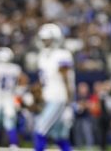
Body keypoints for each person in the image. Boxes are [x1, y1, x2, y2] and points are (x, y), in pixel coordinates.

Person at [34, 23, 75, 151]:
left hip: (59, 97)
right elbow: (43, 80)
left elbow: (65, 78)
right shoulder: (42, 55)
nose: (45, 42)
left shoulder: (62, 54)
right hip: (49, 97)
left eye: (48, 39)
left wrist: (69, 100)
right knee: (60, 135)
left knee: (40, 128)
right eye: (43, 39)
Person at [0, 47, 27, 149]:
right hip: (10, 97)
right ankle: (13, 144)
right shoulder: (15, 68)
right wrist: (18, 92)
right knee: (10, 122)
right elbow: (24, 80)